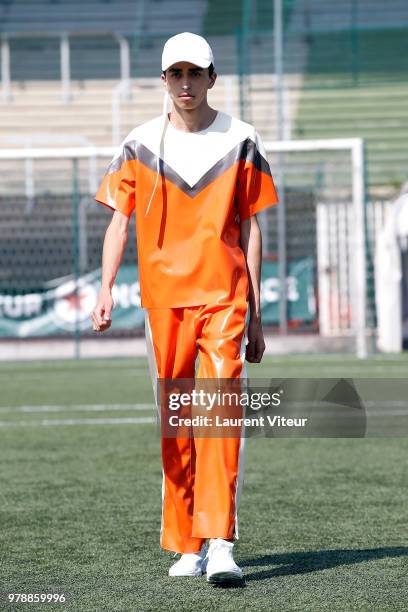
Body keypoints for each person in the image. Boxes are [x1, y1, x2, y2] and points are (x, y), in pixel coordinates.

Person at [91, 32, 279, 584]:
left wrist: (257, 313)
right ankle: (187, 542)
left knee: (219, 417)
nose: (186, 84)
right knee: (176, 424)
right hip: (163, 303)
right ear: (164, 80)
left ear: (212, 78)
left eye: (195, 73)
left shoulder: (242, 138)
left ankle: (220, 540)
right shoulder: (140, 142)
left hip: (226, 298)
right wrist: (105, 289)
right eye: (176, 74)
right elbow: (119, 220)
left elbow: (251, 225)